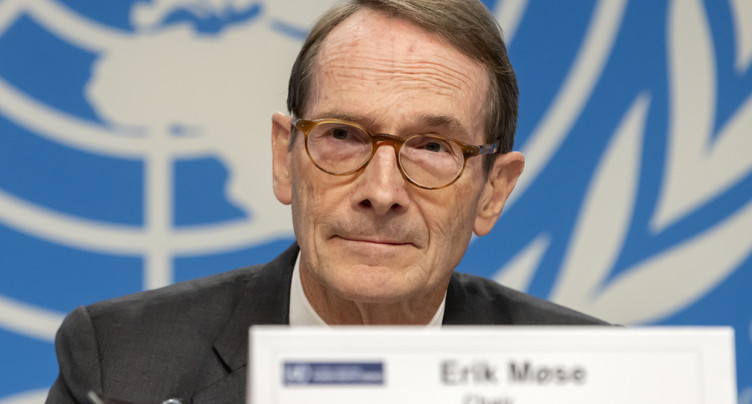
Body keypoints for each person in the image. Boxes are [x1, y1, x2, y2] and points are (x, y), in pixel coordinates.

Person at [46, 0, 607, 402]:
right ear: (284, 158)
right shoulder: (119, 363)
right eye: (343, 135)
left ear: (493, 192)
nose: (381, 193)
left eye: (433, 147)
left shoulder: (600, 380)